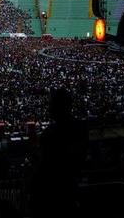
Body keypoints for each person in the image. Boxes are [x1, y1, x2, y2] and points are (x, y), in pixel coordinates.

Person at [30, 88, 88, 217]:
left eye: (51, 104)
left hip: (51, 193)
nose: (48, 107)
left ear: (57, 107)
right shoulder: (80, 129)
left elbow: (45, 166)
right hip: (70, 187)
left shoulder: (50, 134)